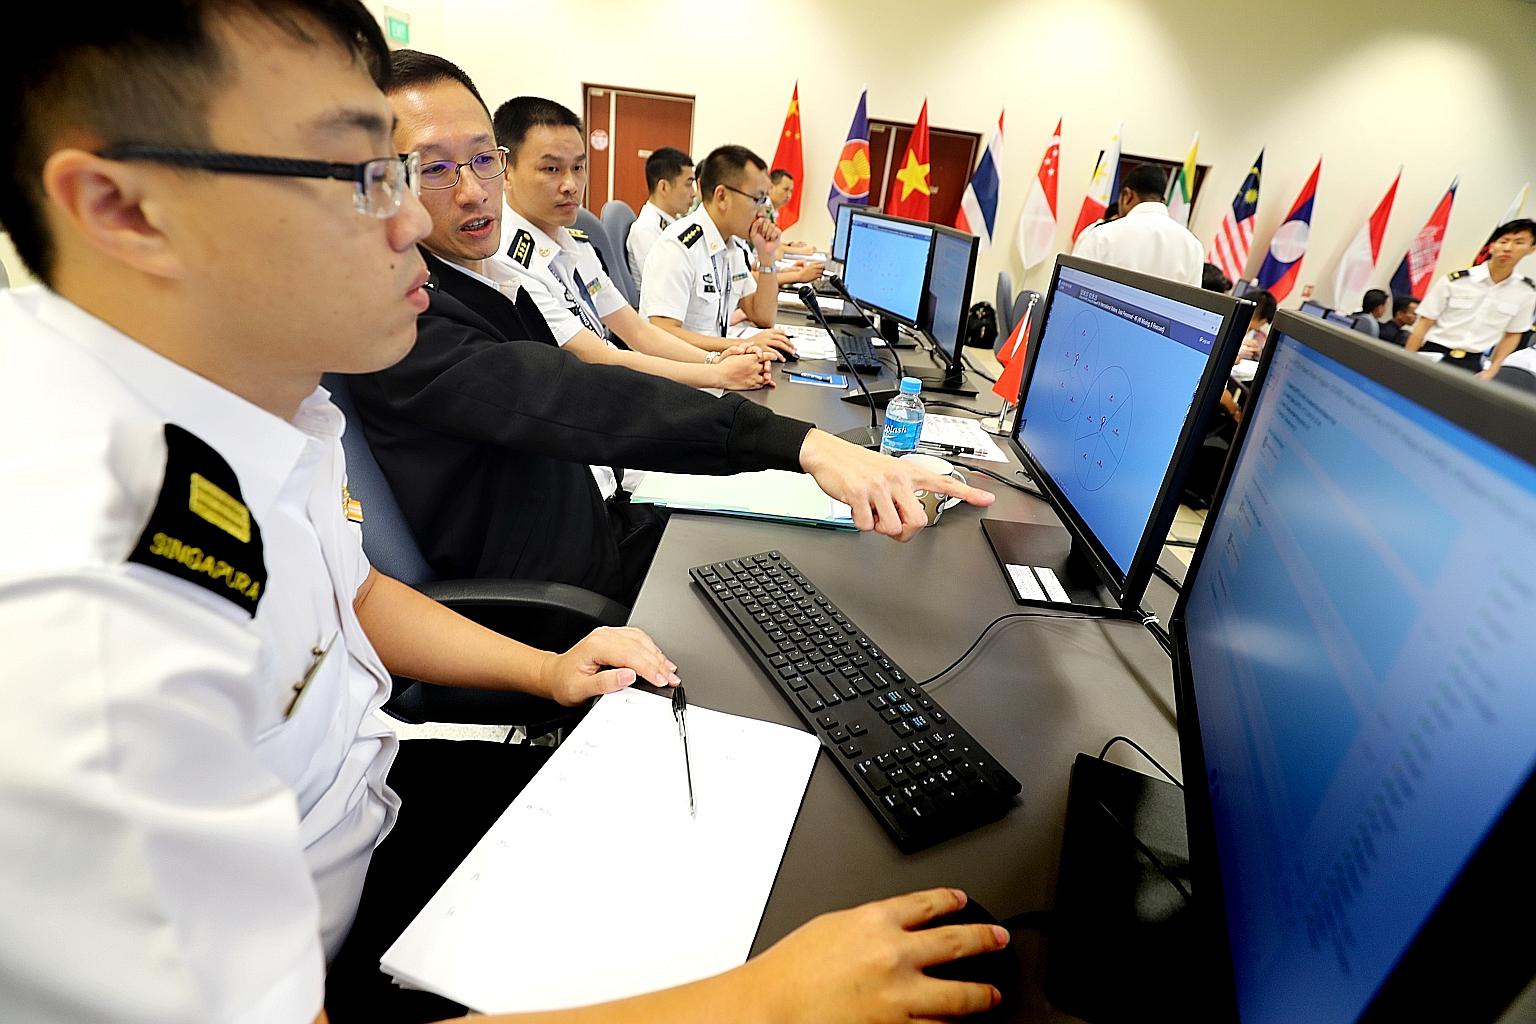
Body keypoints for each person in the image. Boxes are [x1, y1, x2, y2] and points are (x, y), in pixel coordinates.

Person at [0, 6, 1009, 1024]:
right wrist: (765, 1006)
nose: (415, 219)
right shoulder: (76, 605)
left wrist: (545, 669)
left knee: (791, 838)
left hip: (380, 812)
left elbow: (350, 590)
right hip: (327, 958)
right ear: (126, 211)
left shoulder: (260, 390)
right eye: (366, 173)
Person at [351, 50, 992, 606]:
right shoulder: (405, 317)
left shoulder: (486, 269)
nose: (472, 192)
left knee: (798, 564)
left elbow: (602, 355)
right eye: (433, 168)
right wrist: (807, 445)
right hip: (553, 592)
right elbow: (569, 389)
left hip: (593, 519)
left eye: (481, 160)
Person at [490, 92, 772, 392]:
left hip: (606, 392)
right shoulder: (505, 259)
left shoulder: (575, 245)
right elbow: (595, 356)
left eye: (578, 168)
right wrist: (719, 375)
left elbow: (637, 330)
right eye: (551, 169)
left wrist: (715, 361)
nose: (571, 185)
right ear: (505, 169)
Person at [641, 145, 798, 357]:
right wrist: (741, 344)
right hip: (679, 377)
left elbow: (763, 316)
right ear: (722, 196)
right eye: (757, 199)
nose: (762, 211)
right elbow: (662, 332)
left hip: (715, 369)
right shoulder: (678, 246)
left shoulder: (732, 246)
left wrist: (767, 257)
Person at [1406, 219, 1536, 375]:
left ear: (1531, 249)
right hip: (1432, 354)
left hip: (1472, 365)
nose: (1508, 248)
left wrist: (1493, 370)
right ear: (1493, 246)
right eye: (1504, 241)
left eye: (1518, 242)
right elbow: (1424, 324)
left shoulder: (1526, 293)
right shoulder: (1456, 281)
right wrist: (1407, 359)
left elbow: (1512, 335)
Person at [1071, 164, 1203, 285]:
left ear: (1126, 195)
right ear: (1162, 200)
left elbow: (1073, 286)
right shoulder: (1193, 246)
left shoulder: (1102, 236)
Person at [627, 146, 694, 290]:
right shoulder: (647, 230)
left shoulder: (674, 223)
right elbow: (664, 287)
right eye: (688, 184)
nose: (693, 193)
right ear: (663, 187)